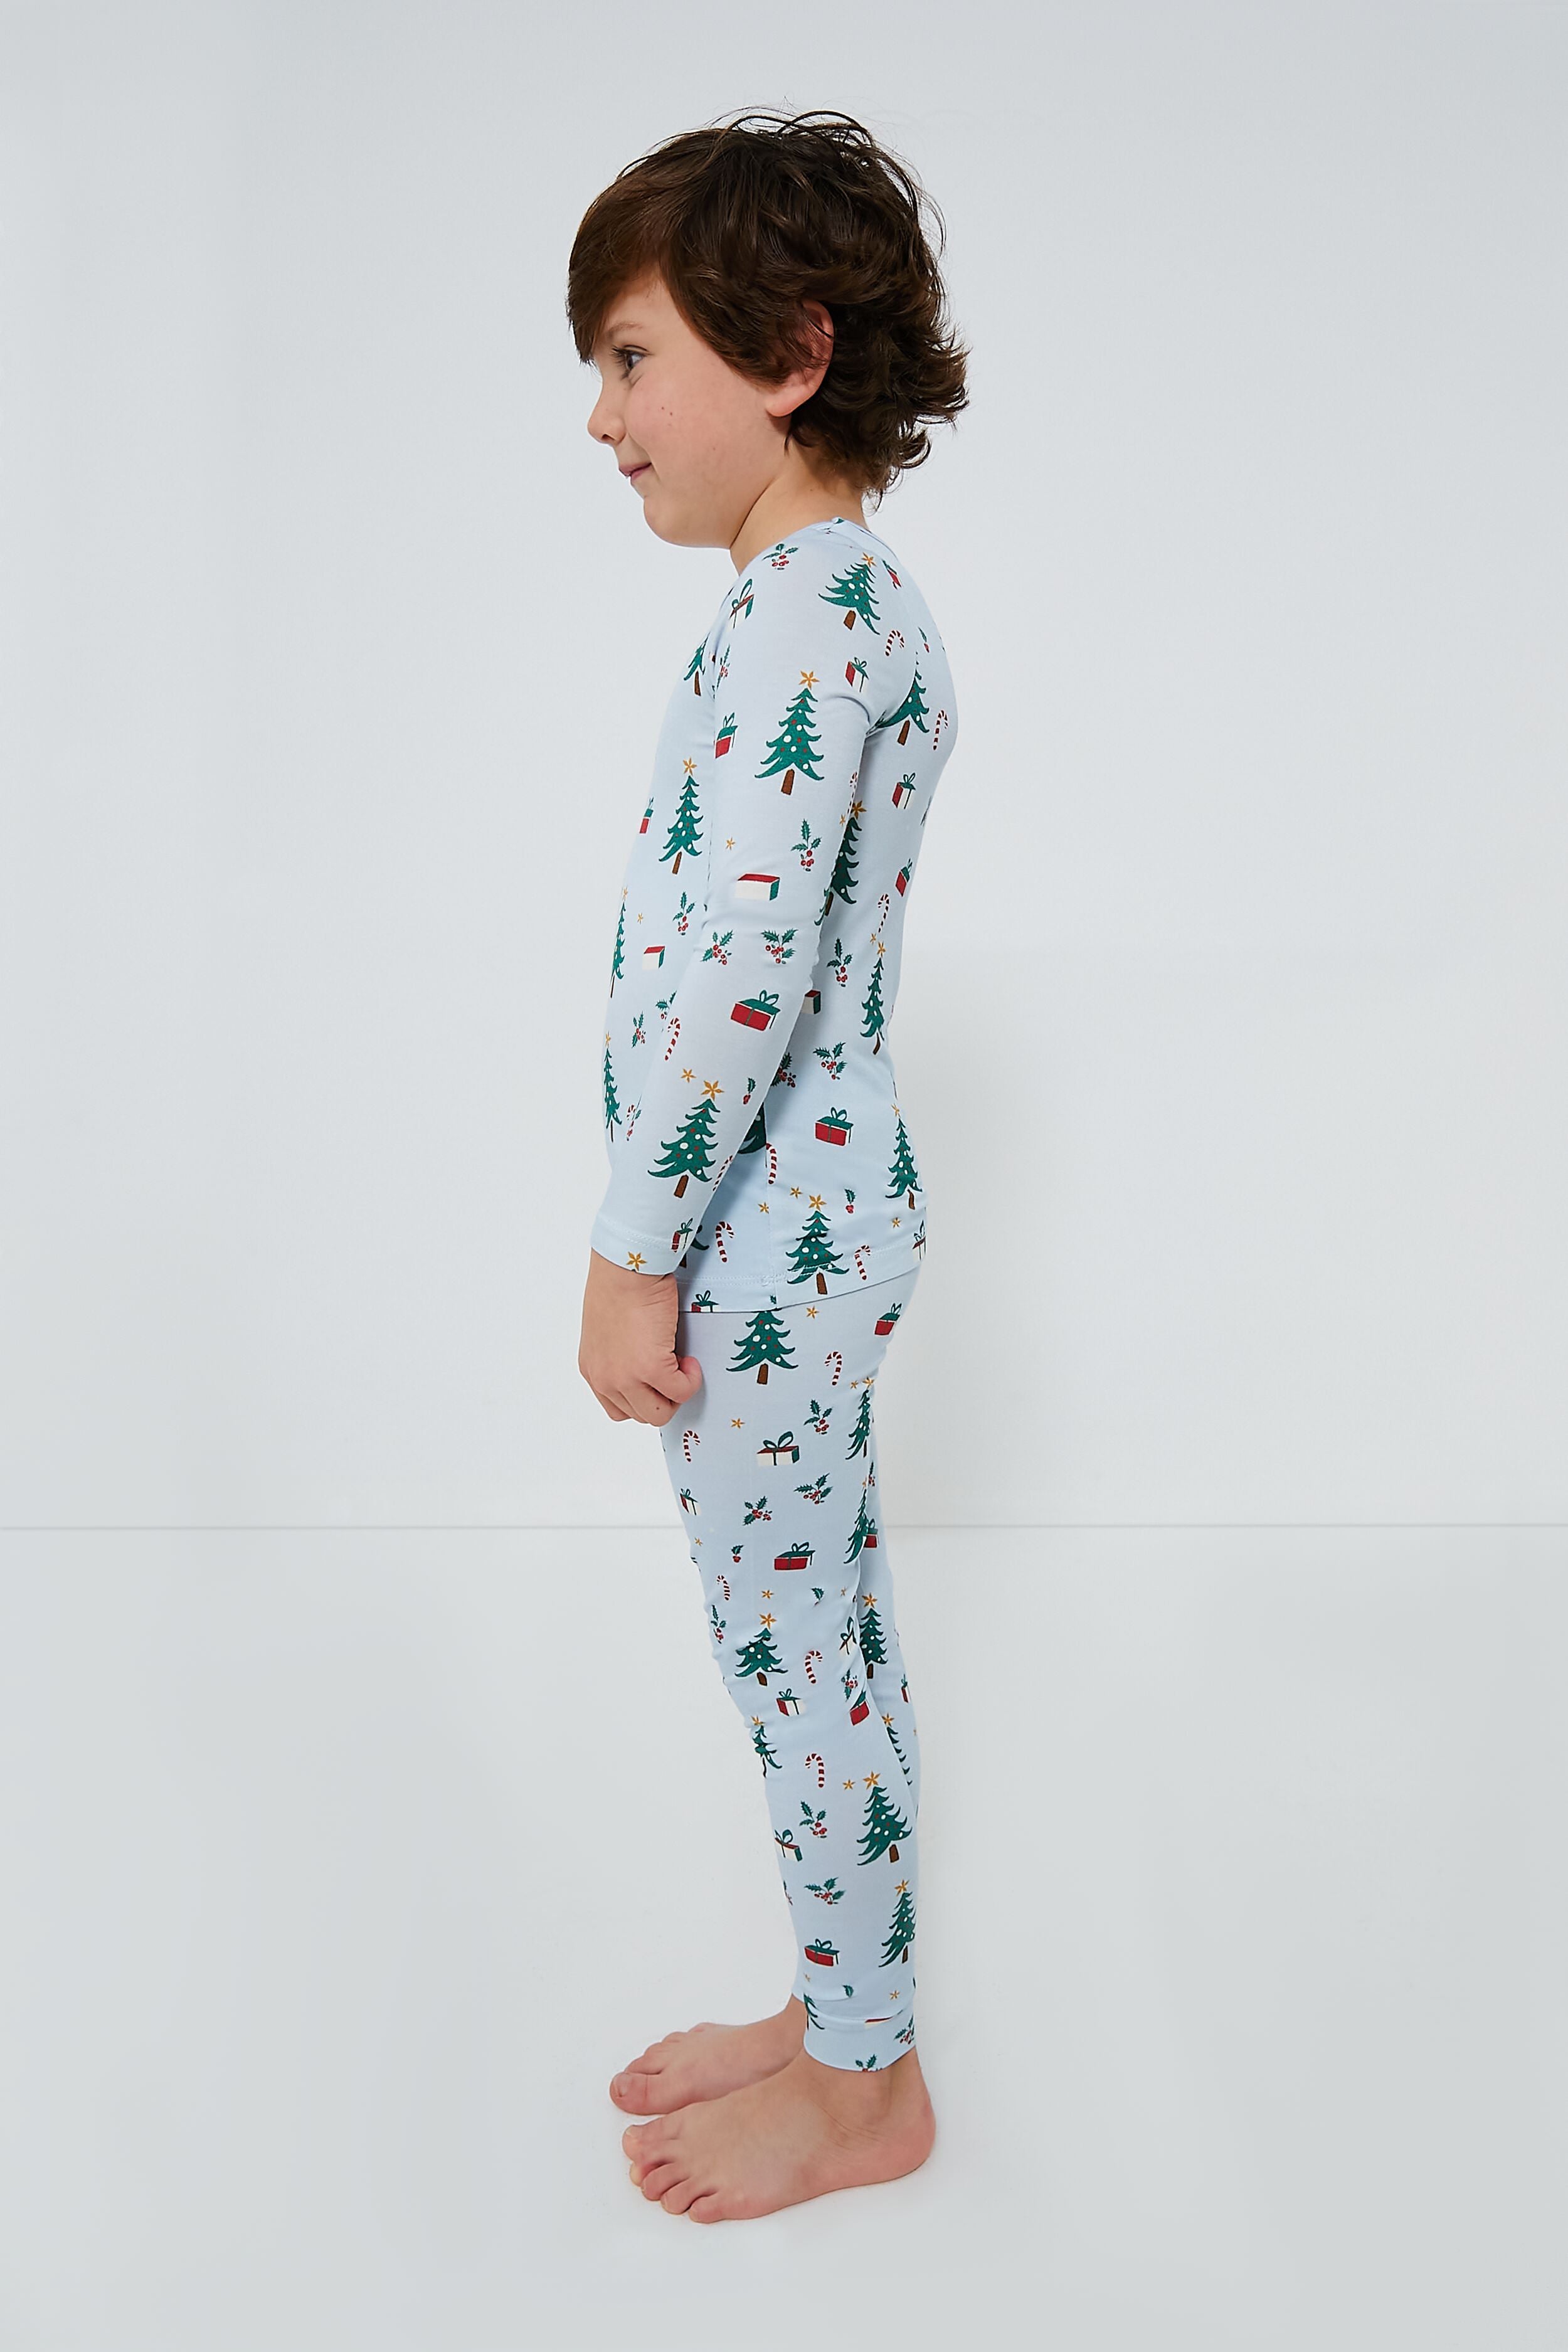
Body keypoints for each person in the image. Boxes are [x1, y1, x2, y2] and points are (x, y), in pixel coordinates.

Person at [568, 109, 968, 2223]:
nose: (602, 416)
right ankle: (842, 2019)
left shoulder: (811, 620)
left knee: (795, 1652)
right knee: (818, 1635)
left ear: (790, 354)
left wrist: (632, 1254)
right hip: (797, 1221)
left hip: (760, 1243)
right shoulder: (828, 608)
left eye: (633, 357)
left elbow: (740, 972)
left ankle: (865, 2089)